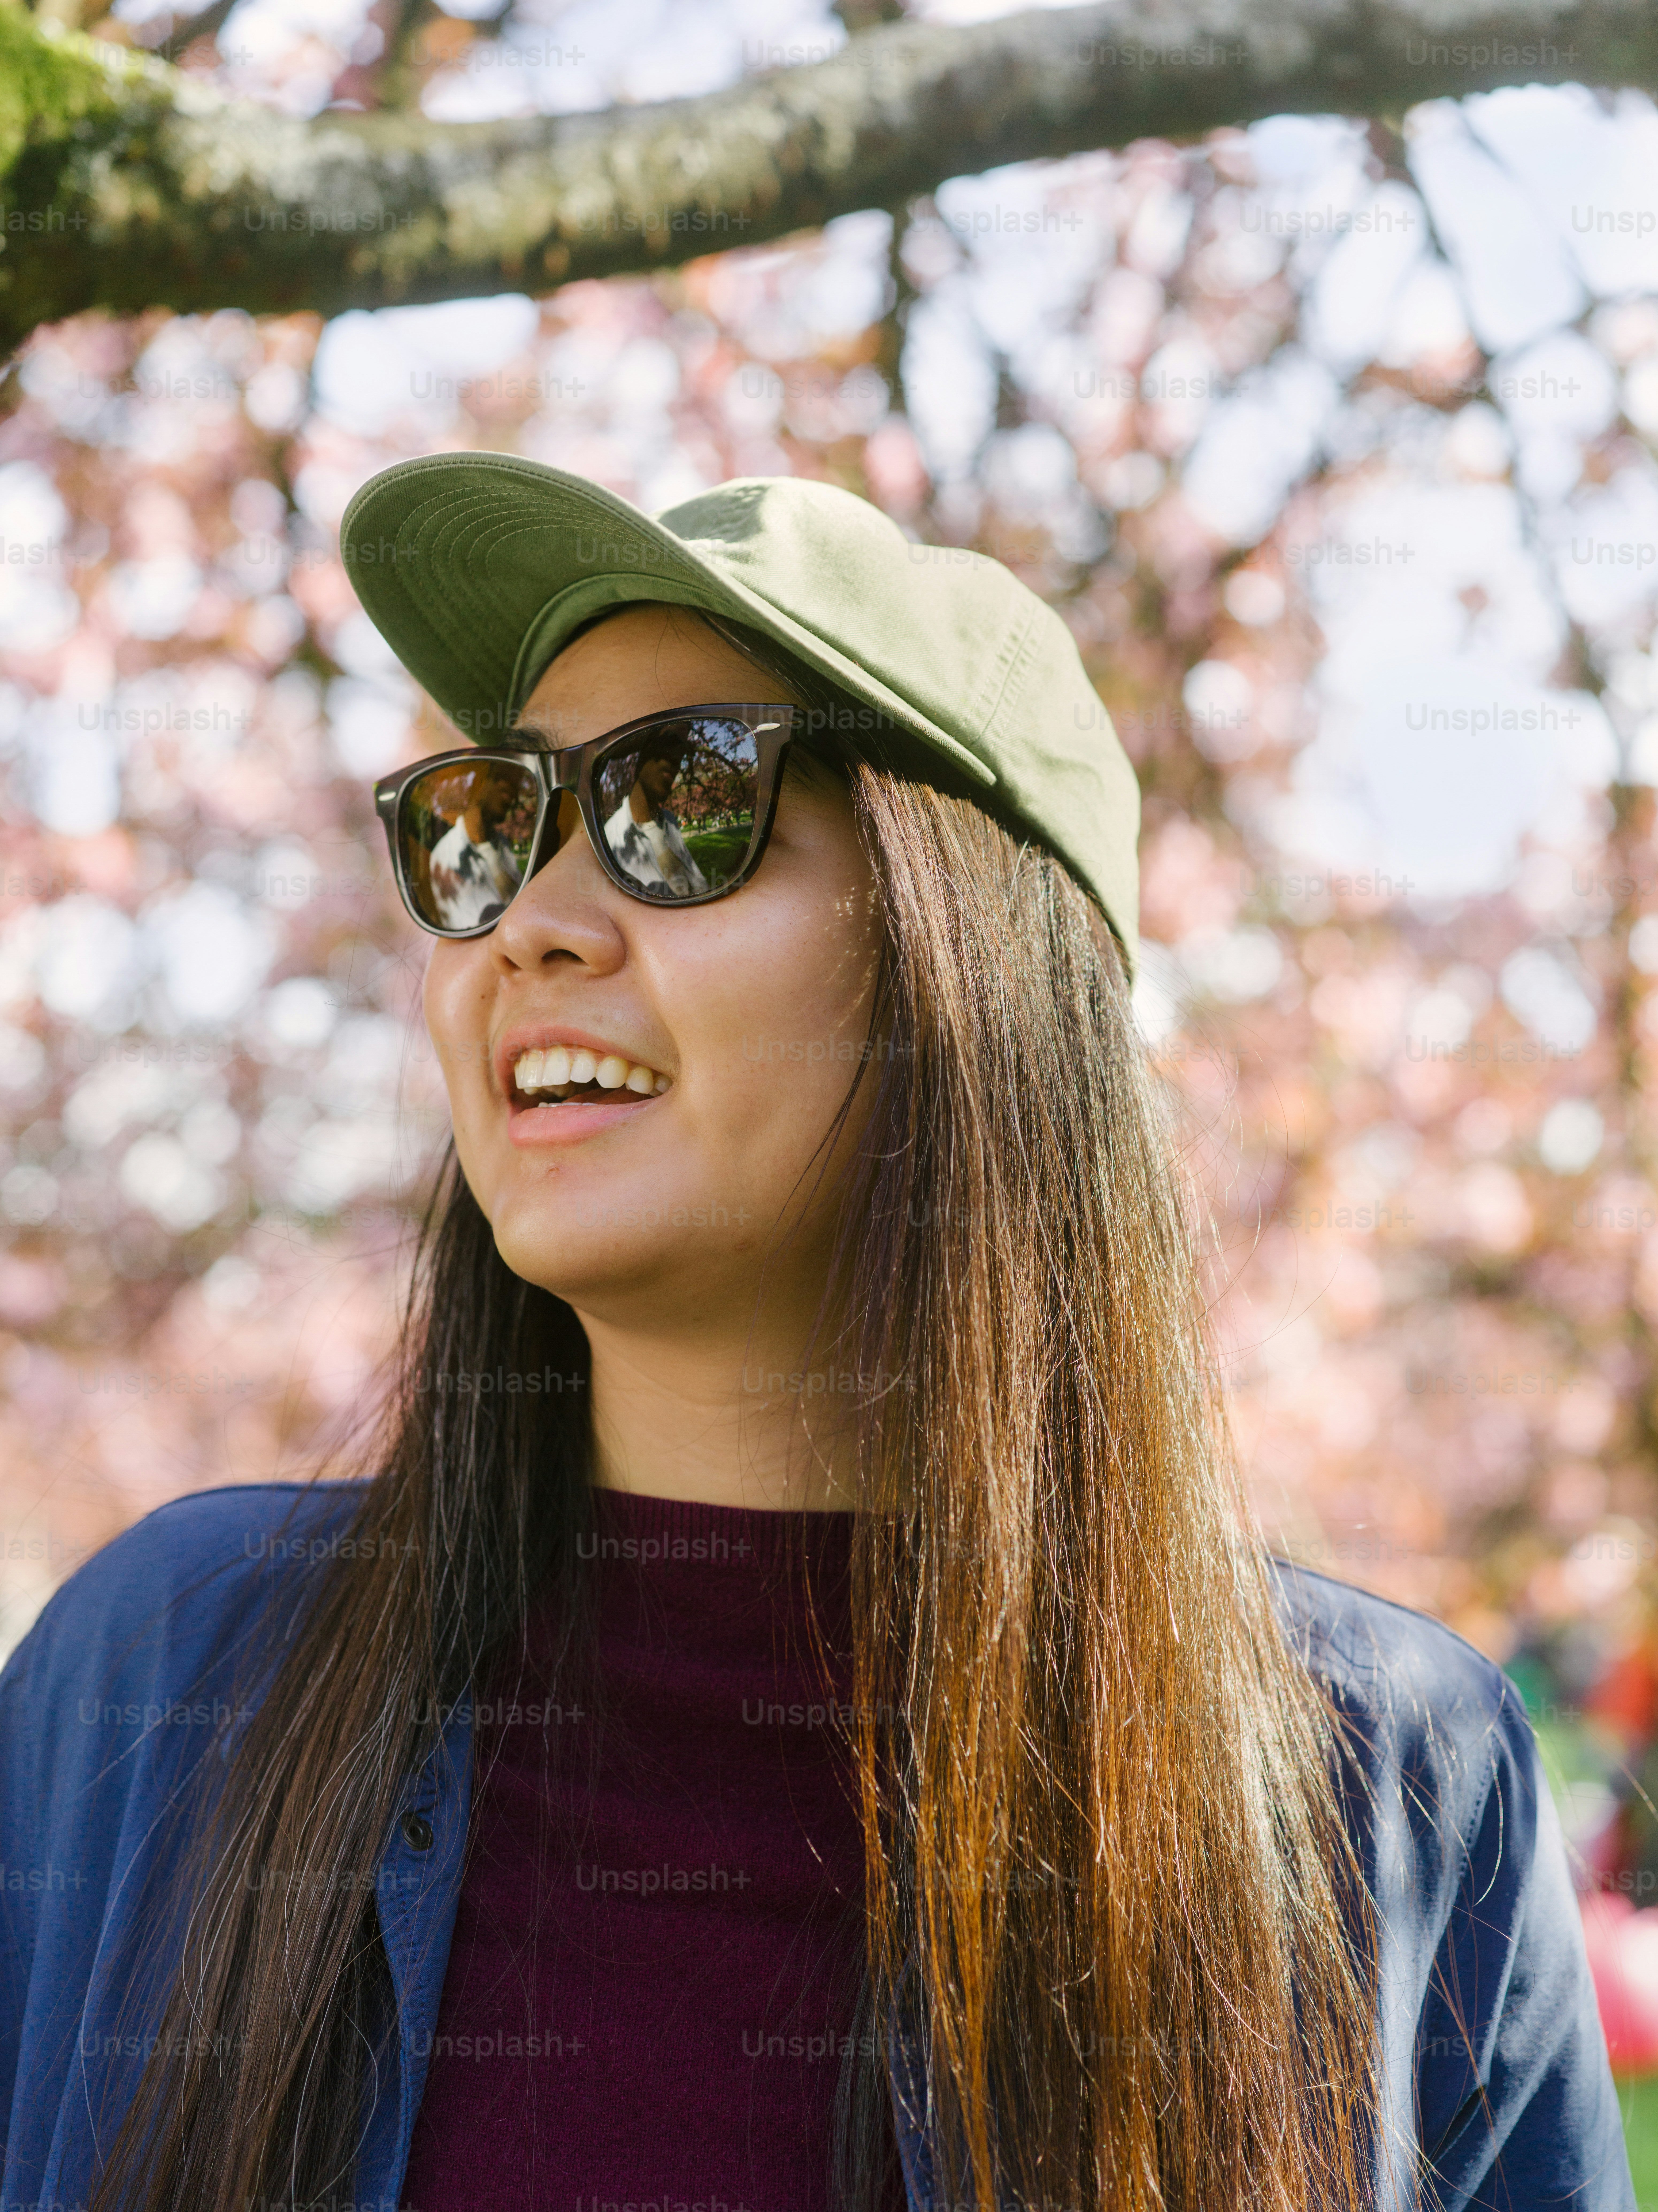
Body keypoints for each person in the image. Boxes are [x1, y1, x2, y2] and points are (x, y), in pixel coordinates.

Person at [0, 459, 1633, 2212]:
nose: (532, 925)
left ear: (974, 972)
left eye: (677, 806)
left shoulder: (1384, 1787)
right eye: (490, 822)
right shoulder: (163, 1680)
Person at [600, 731, 711, 897]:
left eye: (680, 758)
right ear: (645, 754)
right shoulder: (611, 839)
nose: (675, 764)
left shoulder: (670, 821)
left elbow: (698, 882)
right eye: (667, 748)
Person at [426, 760, 526, 928]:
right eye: (505, 790)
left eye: (515, 790)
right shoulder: (445, 856)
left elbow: (518, 896)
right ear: (480, 788)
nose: (513, 799)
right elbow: (488, 921)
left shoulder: (500, 842)